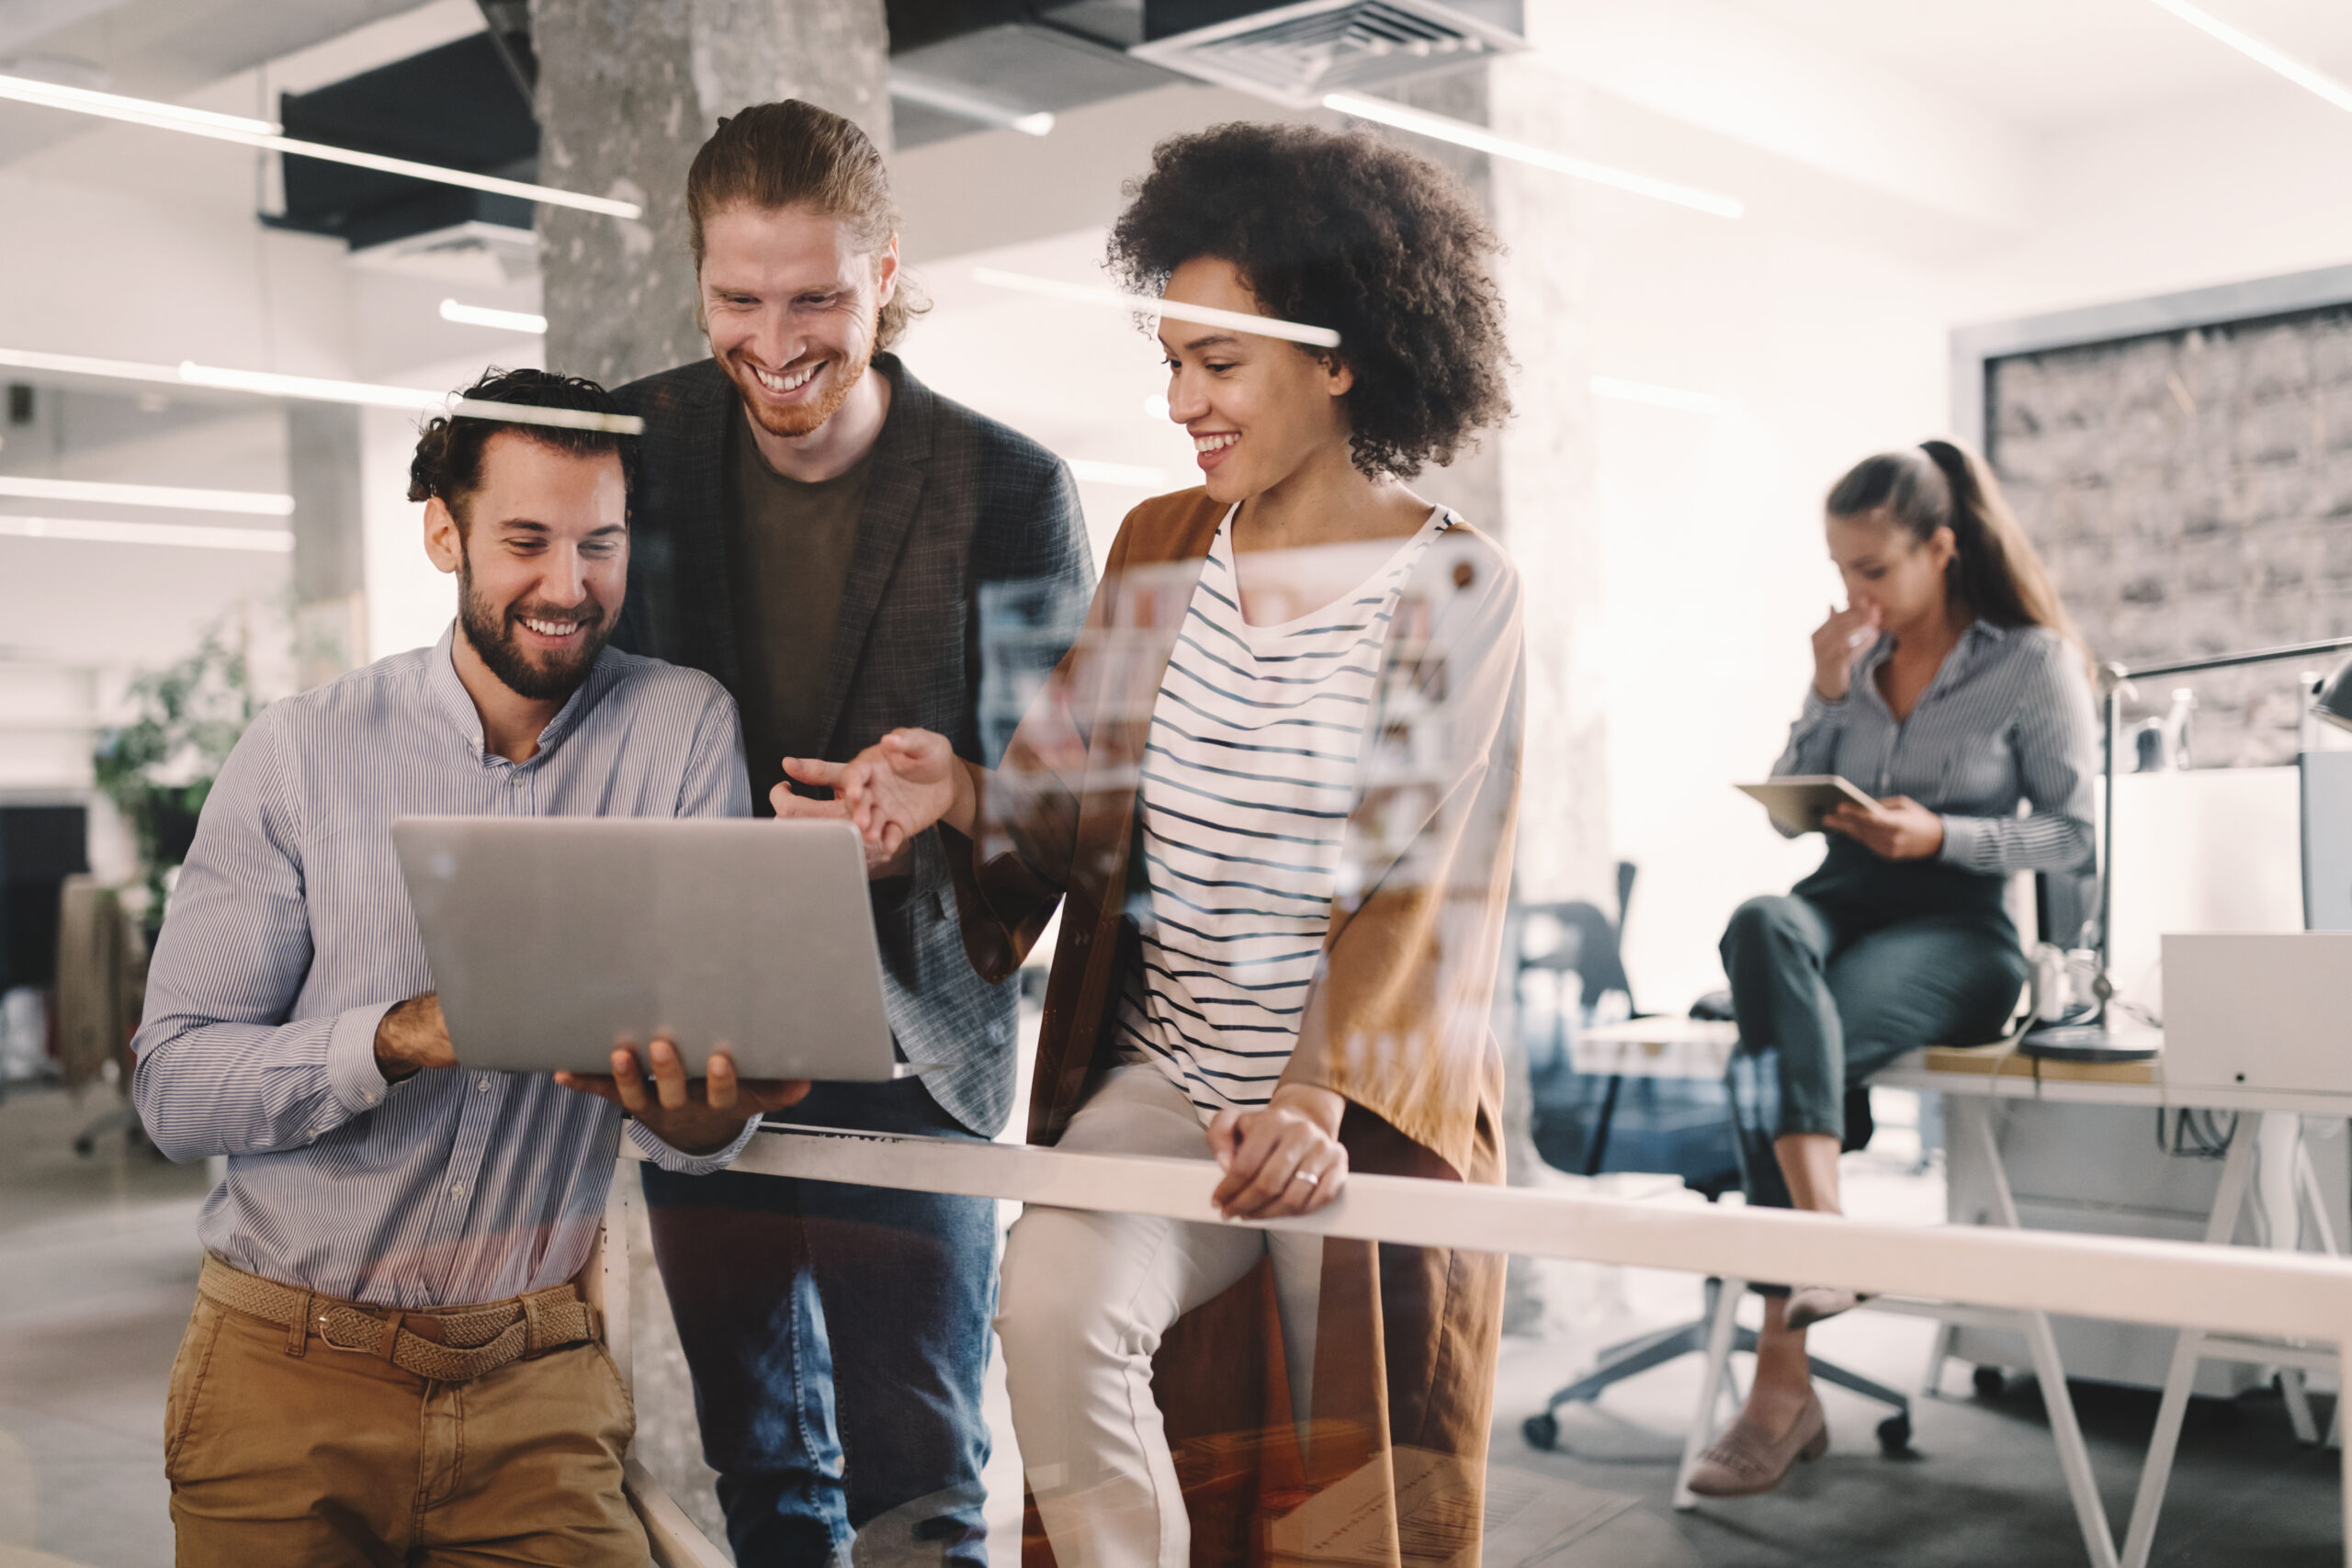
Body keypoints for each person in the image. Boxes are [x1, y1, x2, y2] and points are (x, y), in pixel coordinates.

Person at [828, 122, 1525, 1568]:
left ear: (1342, 359)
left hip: (1358, 1108)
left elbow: (1423, 892)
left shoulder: (1456, 585)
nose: (1180, 402)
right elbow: (1069, 802)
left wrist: (1319, 1100)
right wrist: (953, 785)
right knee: (1054, 1308)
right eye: (1170, 362)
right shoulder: (1159, 543)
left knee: (1347, 1491)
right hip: (1170, 1073)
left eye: (1219, 365)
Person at [131, 367, 812, 1567]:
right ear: (444, 531)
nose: (570, 584)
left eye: (600, 543)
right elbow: (178, 1086)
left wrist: (706, 1115)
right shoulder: (303, 752)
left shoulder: (682, 730)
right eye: (527, 541)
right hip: (285, 1371)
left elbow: (685, 1113)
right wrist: (404, 1032)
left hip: (534, 1385)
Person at [607, 100, 1093, 1564]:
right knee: (759, 1461)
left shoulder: (1011, 491)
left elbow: (1061, 816)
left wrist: (944, 801)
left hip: (914, 1027)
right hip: (699, 1020)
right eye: (737, 299)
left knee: (920, 1481)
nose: (776, 340)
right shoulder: (636, 445)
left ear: (888, 270)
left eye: (816, 295)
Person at [1690, 439, 2098, 1497]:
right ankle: (1829, 1241)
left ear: (1941, 549)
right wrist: (1827, 690)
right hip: (1839, 901)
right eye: (1839, 570)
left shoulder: (2028, 662)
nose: (1852, 592)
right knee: (1758, 922)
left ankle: (1779, 1389)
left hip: (1957, 927)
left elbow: (2072, 838)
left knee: (1766, 1049)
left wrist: (1947, 838)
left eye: (1872, 570)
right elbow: (1788, 817)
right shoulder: (1850, 663)